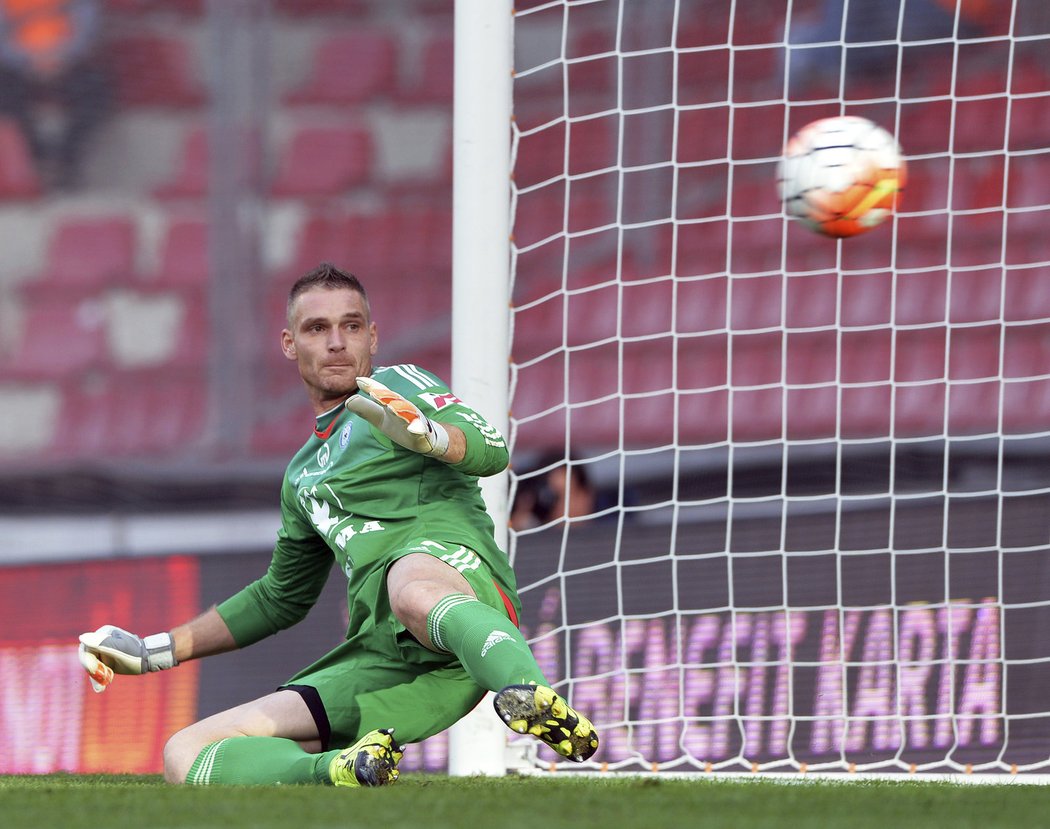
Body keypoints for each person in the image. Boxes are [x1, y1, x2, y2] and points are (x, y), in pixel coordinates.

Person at [77, 263, 598, 787]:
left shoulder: (398, 389)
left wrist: (430, 439)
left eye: (351, 326)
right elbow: (278, 599)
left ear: (372, 337)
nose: (336, 343)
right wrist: (152, 652)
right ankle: (343, 768)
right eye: (317, 328)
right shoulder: (302, 476)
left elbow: (492, 449)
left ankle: (529, 695)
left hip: (464, 611)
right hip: (385, 656)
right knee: (185, 753)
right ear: (288, 343)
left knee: (410, 585)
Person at [0, 0, 111, 189]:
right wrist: (30, 61)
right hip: (19, 67)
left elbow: (87, 32)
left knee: (95, 88)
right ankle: (36, 159)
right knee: (6, 94)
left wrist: (59, 59)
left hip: (67, 64)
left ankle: (65, 161)